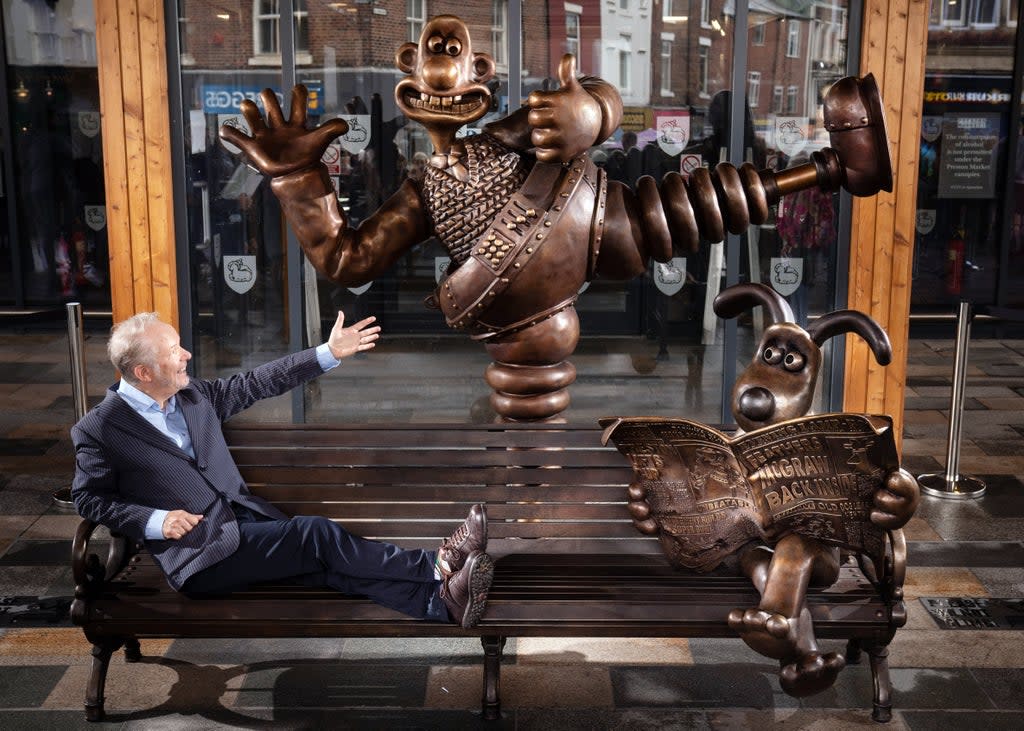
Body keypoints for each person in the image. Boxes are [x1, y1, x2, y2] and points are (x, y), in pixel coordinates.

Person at [71, 311, 493, 629]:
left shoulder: (194, 395)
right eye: (173, 352)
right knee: (317, 535)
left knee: (326, 567)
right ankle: (435, 565)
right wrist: (154, 521)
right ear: (144, 372)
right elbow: (89, 498)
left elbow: (257, 382)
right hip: (200, 556)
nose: (186, 355)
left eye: (180, 345)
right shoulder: (100, 429)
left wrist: (328, 353)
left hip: (246, 525)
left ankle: (442, 605)